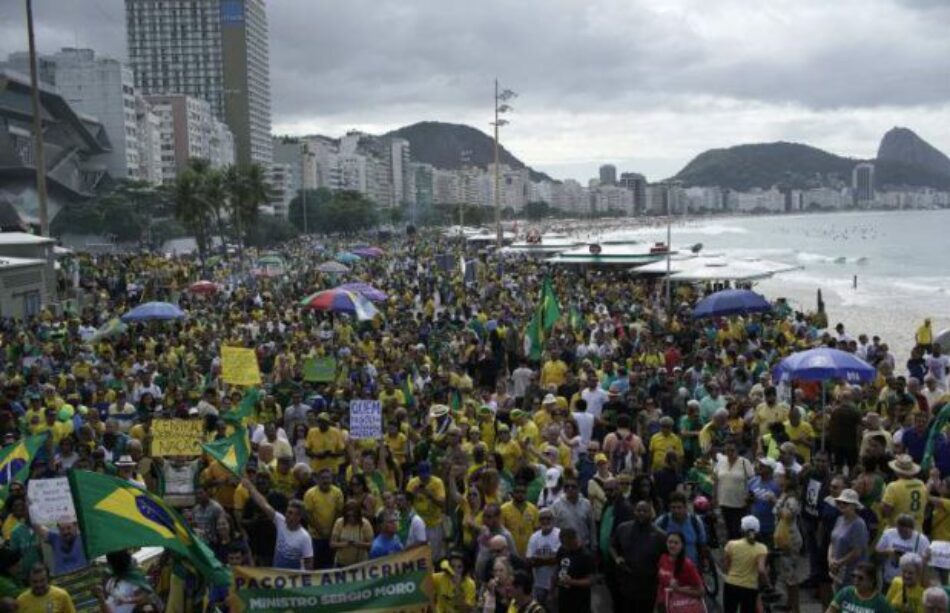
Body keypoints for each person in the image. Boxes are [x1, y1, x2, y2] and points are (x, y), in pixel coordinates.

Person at [241, 477, 313, 570]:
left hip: (294, 580)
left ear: (299, 517)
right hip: (278, 577)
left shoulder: (304, 537)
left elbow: (309, 564)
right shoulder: (281, 521)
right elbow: (264, 505)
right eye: (287, 511)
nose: (287, 515)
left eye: (291, 513)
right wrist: (250, 487)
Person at [611, 500, 667, 612]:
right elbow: (612, 546)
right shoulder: (623, 528)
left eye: (645, 511)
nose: (641, 513)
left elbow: (666, 560)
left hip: (647, 587)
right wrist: (617, 558)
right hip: (625, 584)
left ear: (651, 513)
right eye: (638, 510)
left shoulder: (660, 535)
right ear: (634, 512)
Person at [722, 515, 769, 613]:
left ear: (741, 529)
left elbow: (726, 567)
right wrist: (766, 583)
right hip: (750, 588)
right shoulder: (761, 548)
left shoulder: (731, 544)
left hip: (730, 585)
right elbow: (761, 570)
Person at [828, 488, 869, 594]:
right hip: (837, 570)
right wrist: (830, 559)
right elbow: (832, 541)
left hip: (852, 572)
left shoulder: (859, 524)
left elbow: (857, 551)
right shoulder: (839, 519)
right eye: (839, 502)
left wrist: (839, 563)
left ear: (854, 506)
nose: (842, 505)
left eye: (846, 503)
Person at [875, 513, 930, 589]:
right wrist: (887, 552)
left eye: (906, 532)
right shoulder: (889, 533)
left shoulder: (921, 540)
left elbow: (927, 561)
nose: (902, 535)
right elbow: (877, 551)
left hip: (911, 581)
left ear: (912, 529)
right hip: (890, 578)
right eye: (900, 531)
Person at [714, 439, 754, 540]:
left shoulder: (745, 463)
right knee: (728, 530)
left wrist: (750, 497)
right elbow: (716, 480)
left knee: (739, 530)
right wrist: (714, 498)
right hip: (724, 502)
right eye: (727, 450)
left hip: (740, 504)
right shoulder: (721, 462)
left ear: (737, 450)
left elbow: (752, 481)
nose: (729, 453)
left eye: (732, 450)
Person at [656, 531, 704, 613]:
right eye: (670, 542)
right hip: (663, 605)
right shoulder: (663, 558)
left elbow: (701, 591)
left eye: (676, 543)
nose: (672, 545)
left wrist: (678, 589)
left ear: (682, 545)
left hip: (679, 607)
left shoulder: (687, 565)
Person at [525, 507, 560, 607]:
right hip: (539, 584)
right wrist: (550, 558)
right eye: (542, 519)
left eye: (548, 518)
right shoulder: (534, 537)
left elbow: (558, 559)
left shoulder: (559, 534)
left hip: (556, 584)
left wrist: (538, 559)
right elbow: (529, 561)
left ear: (553, 519)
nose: (545, 521)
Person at [826, 561, 893, 613]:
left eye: (860, 578)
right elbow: (830, 611)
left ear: (871, 581)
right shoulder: (846, 593)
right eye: (853, 576)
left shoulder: (880, 601)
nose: (856, 580)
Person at [555, 527, 594, 613]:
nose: (565, 546)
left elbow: (590, 581)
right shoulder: (562, 550)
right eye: (563, 544)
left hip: (579, 601)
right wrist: (553, 589)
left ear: (574, 540)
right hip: (563, 599)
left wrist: (571, 582)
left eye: (567, 544)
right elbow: (557, 568)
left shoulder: (586, 556)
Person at [329, 499, 374, 567]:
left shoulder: (365, 524)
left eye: (354, 516)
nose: (351, 518)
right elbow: (332, 544)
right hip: (341, 563)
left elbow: (372, 545)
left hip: (361, 563)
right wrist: (346, 544)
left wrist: (359, 544)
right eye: (348, 516)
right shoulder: (339, 522)